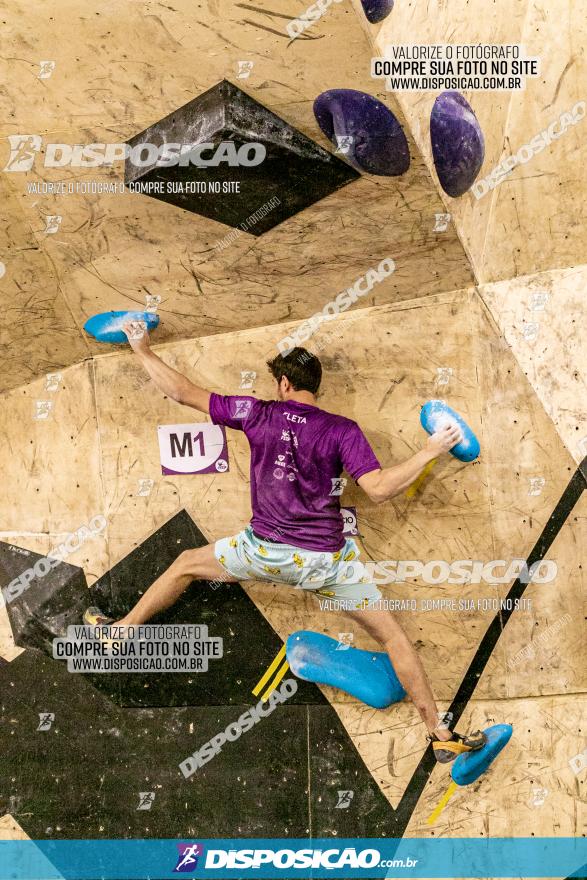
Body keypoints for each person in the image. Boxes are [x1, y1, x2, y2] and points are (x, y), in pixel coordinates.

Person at [85, 322, 486, 765]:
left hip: (263, 553)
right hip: (327, 564)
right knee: (394, 638)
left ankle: (123, 631)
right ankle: (439, 732)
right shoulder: (342, 429)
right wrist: (431, 449)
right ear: (315, 387)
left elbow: (183, 392)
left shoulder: (259, 412)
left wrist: (140, 347)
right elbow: (378, 488)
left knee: (185, 564)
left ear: (284, 383)